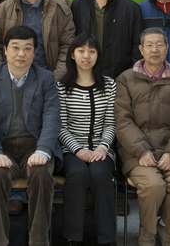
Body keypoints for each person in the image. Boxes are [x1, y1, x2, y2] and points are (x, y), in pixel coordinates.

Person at [0, 25, 61, 246]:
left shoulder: (46, 78)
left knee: (42, 174)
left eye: (27, 48)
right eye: (15, 48)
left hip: (35, 146)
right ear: (5, 50)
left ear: (34, 52)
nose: (21, 54)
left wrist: (43, 150)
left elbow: (52, 117)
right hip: (2, 147)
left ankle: (38, 241)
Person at [115, 27, 170, 246]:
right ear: (141, 49)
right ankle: (148, 234)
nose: (154, 49)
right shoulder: (126, 79)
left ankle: (167, 230)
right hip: (137, 153)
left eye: (159, 44)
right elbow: (123, 121)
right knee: (153, 186)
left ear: (167, 48)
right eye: (149, 45)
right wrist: (141, 151)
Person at [57, 34, 117, 246]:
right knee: (78, 174)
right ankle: (73, 237)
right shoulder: (62, 86)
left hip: (102, 149)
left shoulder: (109, 85)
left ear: (98, 56)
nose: (86, 56)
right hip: (71, 150)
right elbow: (61, 127)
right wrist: (78, 150)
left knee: (101, 174)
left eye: (92, 51)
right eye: (81, 51)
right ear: (73, 55)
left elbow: (111, 123)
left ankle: (106, 238)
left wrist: (102, 147)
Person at [70, 0, 143, 78]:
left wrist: (131, 76)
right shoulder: (78, 5)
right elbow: (71, 40)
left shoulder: (131, 9)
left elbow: (137, 47)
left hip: (120, 77)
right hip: (84, 76)